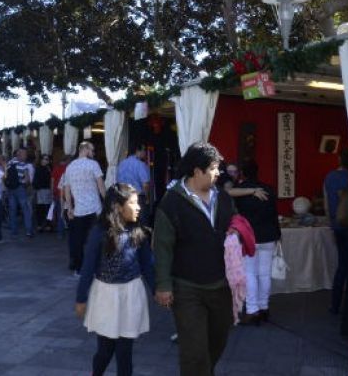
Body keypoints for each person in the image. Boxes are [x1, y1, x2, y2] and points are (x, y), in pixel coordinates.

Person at [153, 141, 235, 376]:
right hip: (186, 287)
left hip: (220, 284)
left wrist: (237, 231)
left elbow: (235, 222)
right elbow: (162, 246)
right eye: (214, 168)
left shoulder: (223, 198)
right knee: (194, 349)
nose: (218, 173)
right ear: (197, 171)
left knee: (218, 340)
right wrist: (163, 285)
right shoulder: (172, 202)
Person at [75, 183, 155, 376]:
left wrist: (158, 289)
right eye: (133, 203)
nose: (138, 207)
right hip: (106, 296)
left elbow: (147, 264)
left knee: (125, 352)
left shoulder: (138, 230)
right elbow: (88, 267)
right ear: (118, 207)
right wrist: (81, 298)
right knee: (105, 350)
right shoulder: (99, 232)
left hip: (131, 293)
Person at [226, 161, 280, 325]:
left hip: (249, 236)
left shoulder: (240, 191)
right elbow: (274, 214)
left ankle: (252, 309)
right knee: (264, 273)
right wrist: (278, 235)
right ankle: (264, 307)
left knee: (250, 273)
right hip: (269, 235)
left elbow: (225, 195)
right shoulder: (269, 189)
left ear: (242, 173)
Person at [323, 148, 348, 315]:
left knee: (342, 265)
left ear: (339, 159)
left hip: (337, 225)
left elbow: (326, 204)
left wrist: (331, 223)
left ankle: (335, 305)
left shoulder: (329, 177)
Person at [64, 141, 106, 275]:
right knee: (97, 240)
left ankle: (79, 268)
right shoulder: (93, 164)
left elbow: (66, 190)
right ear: (85, 149)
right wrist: (108, 202)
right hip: (95, 209)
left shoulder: (70, 167)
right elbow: (101, 187)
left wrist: (69, 208)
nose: (93, 153)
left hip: (79, 210)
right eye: (92, 150)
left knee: (79, 241)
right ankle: (96, 268)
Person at [116, 144, 152, 224]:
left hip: (123, 197)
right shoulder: (140, 164)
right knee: (141, 223)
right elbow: (145, 184)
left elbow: (118, 180)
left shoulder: (121, 164)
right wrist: (147, 198)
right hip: (138, 198)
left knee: (126, 222)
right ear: (138, 151)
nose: (145, 153)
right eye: (144, 150)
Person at [7, 148, 35, 238]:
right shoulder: (24, 165)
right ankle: (28, 230)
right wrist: (26, 184)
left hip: (10, 189)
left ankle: (13, 231)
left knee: (12, 210)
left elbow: (5, 175)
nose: (26, 156)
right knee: (25, 210)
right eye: (25, 154)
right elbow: (27, 179)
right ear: (21, 155)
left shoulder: (10, 163)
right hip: (20, 188)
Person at [51, 155, 72, 237]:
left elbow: (52, 181)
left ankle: (60, 233)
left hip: (58, 193)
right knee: (67, 212)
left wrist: (52, 191)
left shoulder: (56, 168)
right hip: (68, 194)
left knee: (60, 213)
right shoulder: (69, 169)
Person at [33, 154, 53, 231]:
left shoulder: (49, 168)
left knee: (48, 208)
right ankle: (40, 224)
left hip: (48, 190)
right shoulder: (38, 168)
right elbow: (36, 179)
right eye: (45, 159)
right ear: (41, 160)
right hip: (41, 190)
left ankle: (48, 224)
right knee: (40, 208)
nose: (46, 161)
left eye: (47, 159)